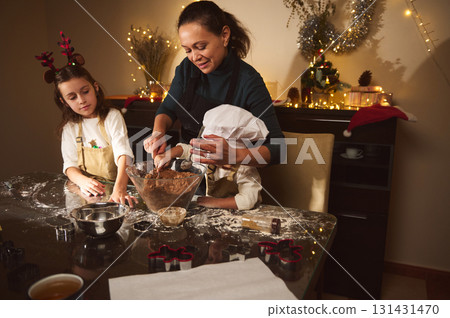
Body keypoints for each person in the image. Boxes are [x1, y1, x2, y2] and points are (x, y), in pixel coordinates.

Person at [144, 0, 284, 169]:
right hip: (187, 171)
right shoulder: (186, 69)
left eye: (201, 47)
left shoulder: (248, 80)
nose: (194, 57)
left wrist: (234, 155)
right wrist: (158, 133)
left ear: (224, 36)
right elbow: (167, 109)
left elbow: (278, 148)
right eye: (188, 50)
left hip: (225, 183)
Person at [36, 32, 136, 207]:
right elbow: (69, 166)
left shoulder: (112, 116)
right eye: (72, 97)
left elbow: (124, 155)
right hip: (87, 194)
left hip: (115, 189)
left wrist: (119, 187)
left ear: (95, 87)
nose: (81, 100)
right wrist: (82, 181)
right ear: (64, 102)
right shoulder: (70, 127)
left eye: (85, 91)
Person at [154, 105, 268, 210]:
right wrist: (167, 155)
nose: (207, 153)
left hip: (244, 216)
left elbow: (247, 201)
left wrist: (214, 202)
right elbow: (187, 150)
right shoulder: (210, 157)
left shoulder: (245, 168)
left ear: (231, 152)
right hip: (216, 212)